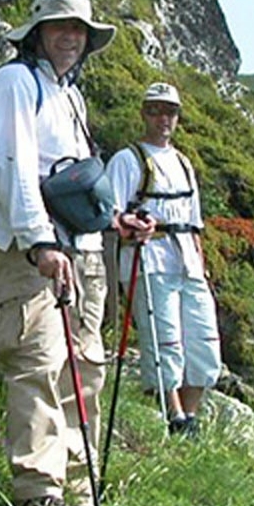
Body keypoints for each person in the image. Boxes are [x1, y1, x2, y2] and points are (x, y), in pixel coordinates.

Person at [0, 0, 152, 506]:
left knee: (86, 365)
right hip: (32, 251)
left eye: (79, 30)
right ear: (36, 32)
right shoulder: (15, 84)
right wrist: (38, 241)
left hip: (82, 248)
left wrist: (112, 222)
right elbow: (11, 166)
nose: (71, 38)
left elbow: (73, 175)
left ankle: (79, 486)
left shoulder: (68, 95)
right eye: (60, 28)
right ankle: (36, 495)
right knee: (36, 360)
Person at [105, 82, 222, 437]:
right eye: (155, 110)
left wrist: (200, 266)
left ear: (178, 117)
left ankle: (189, 414)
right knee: (165, 341)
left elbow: (196, 221)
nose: (163, 118)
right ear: (143, 114)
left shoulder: (184, 162)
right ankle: (174, 418)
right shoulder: (128, 160)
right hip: (149, 260)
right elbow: (110, 212)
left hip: (187, 261)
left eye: (170, 111)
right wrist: (129, 225)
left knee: (205, 343)